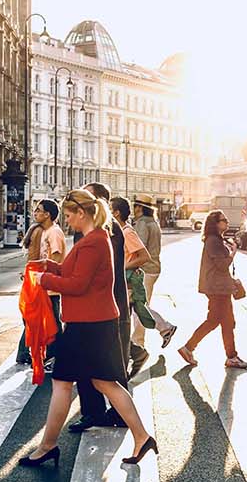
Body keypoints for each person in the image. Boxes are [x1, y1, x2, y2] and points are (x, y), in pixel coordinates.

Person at [19, 188, 156, 467]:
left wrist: (45, 280)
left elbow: (78, 285)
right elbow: (75, 273)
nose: (67, 220)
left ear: (82, 213)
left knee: (62, 382)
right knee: (103, 381)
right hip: (94, 322)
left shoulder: (94, 241)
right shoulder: (95, 238)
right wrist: (48, 266)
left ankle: (47, 445)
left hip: (88, 324)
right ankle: (142, 437)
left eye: (69, 215)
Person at [67, 181, 133, 433]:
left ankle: (118, 413)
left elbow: (89, 272)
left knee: (112, 364)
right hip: (91, 306)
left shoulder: (107, 229)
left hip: (106, 305)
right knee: (87, 364)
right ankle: (93, 412)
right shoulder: (86, 228)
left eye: (85, 198)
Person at [178, 210, 247, 369]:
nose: (227, 222)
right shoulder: (213, 241)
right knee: (214, 321)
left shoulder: (217, 240)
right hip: (217, 288)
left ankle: (231, 356)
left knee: (227, 322)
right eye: (224, 220)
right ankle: (188, 348)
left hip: (220, 287)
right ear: (215, 224)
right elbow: (222, 265)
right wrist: (233, 253)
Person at [16, 198, 67, 366]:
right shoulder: (43, 231)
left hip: (50, 286)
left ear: (48, 214)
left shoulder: (54, 232)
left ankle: (56, 356)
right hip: (42, 284)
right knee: (40, 320)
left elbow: (56, 259)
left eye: (38, 210)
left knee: (52, 322)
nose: (35, 213)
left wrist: (44, 278)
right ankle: (47, 355)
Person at [111, 196, 155, 376]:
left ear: (116, 213)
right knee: (117, 327)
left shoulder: (127, 232)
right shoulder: (117, 230)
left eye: (109, 208)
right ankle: (136, 354)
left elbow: (144, 256)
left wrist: (121, 266)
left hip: (126, 285)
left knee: (118, 326)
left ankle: (136, 354)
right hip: (120, 283)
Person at [130, 194, 178, 348]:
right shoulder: (153, 222)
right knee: (141, 305)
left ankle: (151, 335)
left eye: (134, 206)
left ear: (139, 207)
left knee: (140, 306)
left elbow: (139, 247)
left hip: (145, 269)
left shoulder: (143, 223)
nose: (133, 208)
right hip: (153, 268)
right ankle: (140, 340)